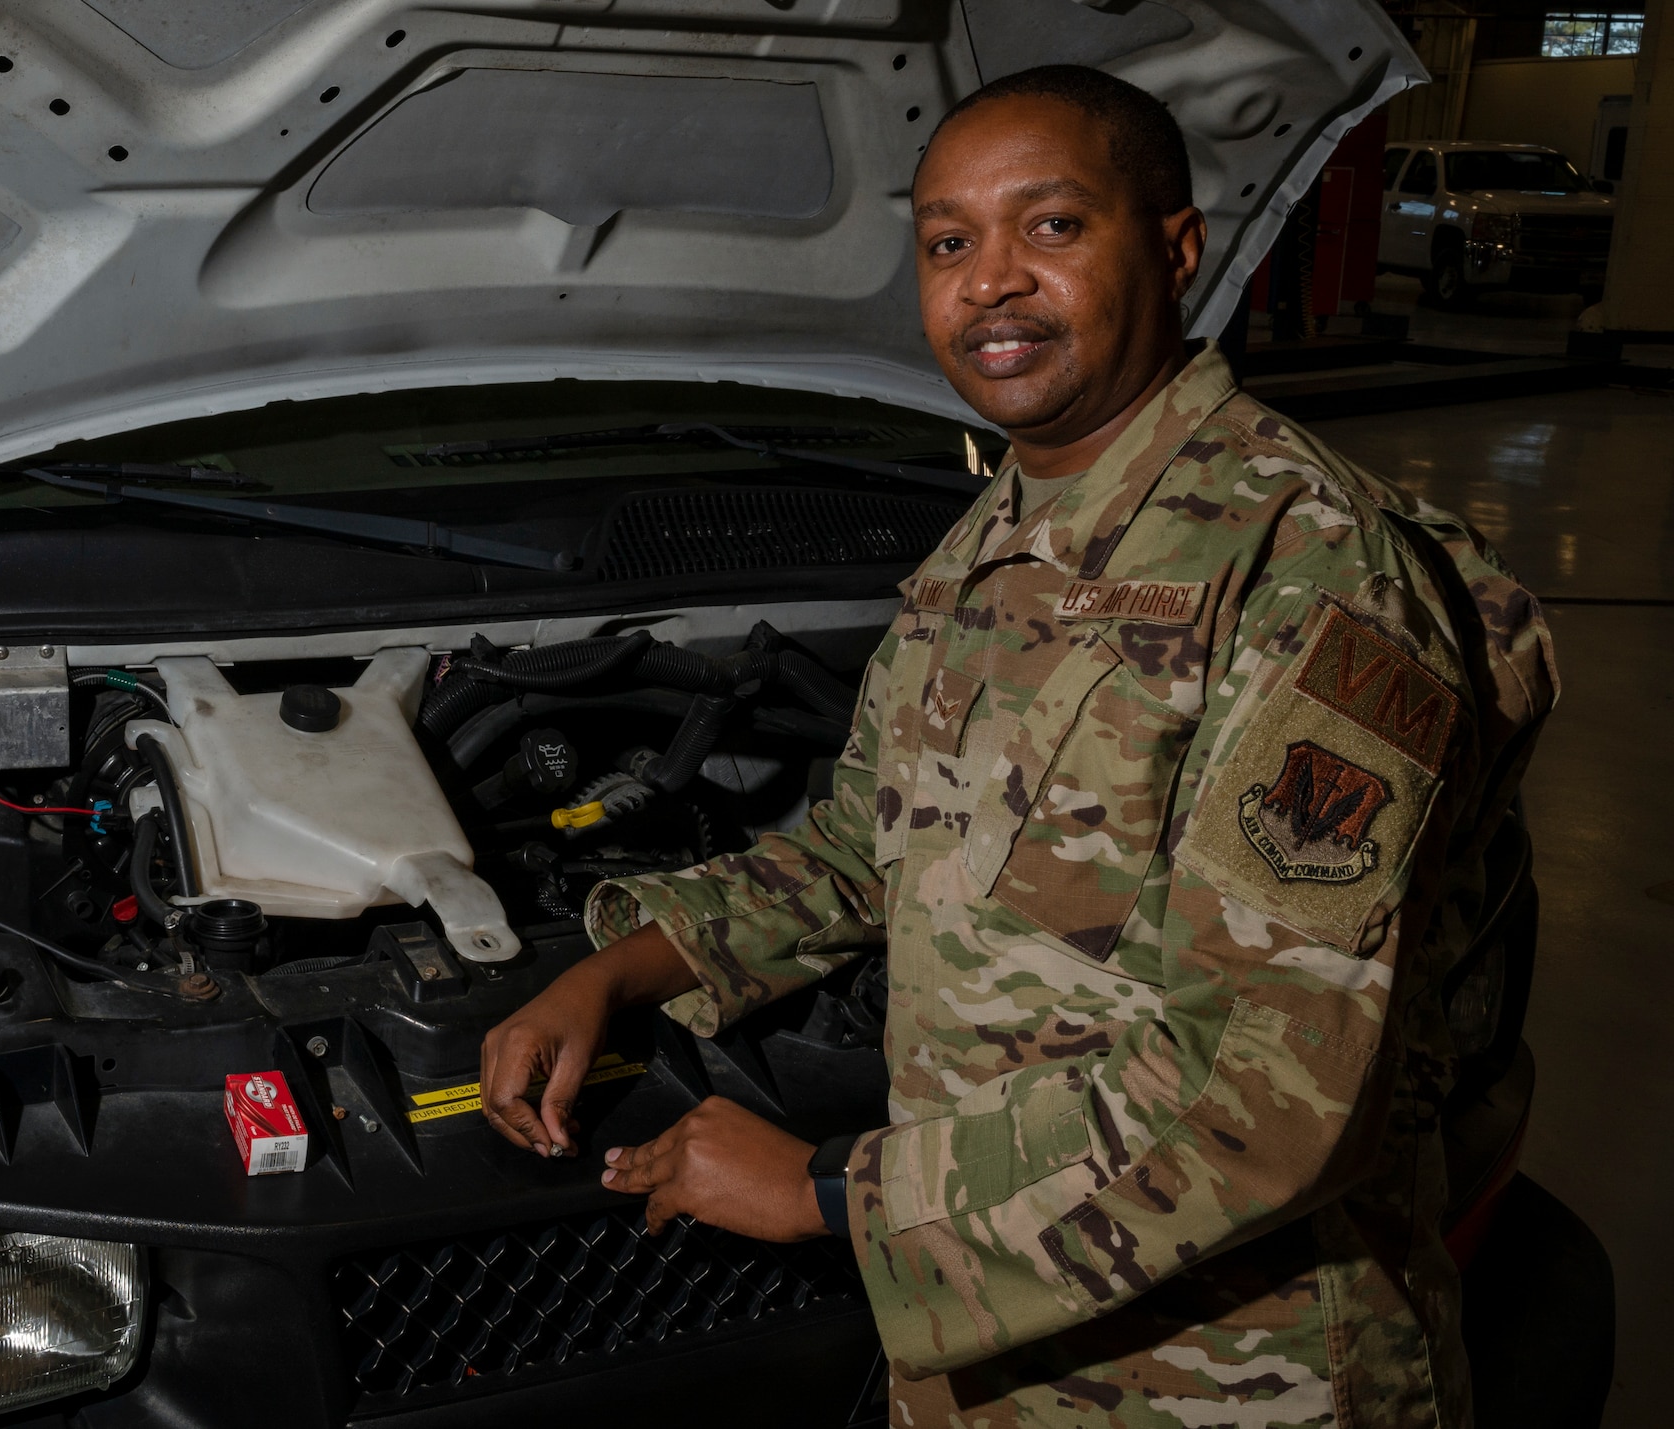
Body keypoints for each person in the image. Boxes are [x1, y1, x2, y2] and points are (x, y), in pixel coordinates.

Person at [479, 64, 1557, 1427]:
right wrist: (618, 970)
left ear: (1175, 250)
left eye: (1050, 227)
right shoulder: (982, 555)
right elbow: (866, 848)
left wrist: (822, 1192)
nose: (990, 281)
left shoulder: (1309, 572)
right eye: (949, 241)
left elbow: (1262, 1091)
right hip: (993, 1354)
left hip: (1232, 1371)